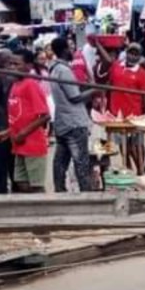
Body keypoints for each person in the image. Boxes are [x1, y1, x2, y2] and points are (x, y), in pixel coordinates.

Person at [48, 36, 95, 192]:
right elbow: (75, 97)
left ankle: (60, 192)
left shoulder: (54, 68)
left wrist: (85, 87)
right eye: (70, 47)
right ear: (63, 50)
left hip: (63, 122)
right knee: (81, 162)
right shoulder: (64, 70)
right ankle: (86, 196)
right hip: (74, 123)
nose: (72, 50)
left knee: (60, 161)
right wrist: (95, 90)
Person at [96, 41, 145, 174]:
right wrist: (98, 44)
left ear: (139, 56)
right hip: (117, 115)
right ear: (126, 53)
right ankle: (128, 170)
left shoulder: (142, 73)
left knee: (136, 146)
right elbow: (108, 64)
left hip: (134, 115)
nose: (132, 56)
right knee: (122, 145)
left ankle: (141, 171)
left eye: (136, 54)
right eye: (131, 52)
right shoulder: (116, 66)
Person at [0, 55, 51, 193]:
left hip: (32, 145)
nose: (13, 68)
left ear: (28, 66)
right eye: (11, 64)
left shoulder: (31, 84)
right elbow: (19, 118)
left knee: (36, 186)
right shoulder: (15, 85)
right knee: (21, 183)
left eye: (17, 64)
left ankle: (45, 211)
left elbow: (44, 116)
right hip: (19, 145)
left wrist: (23, 133)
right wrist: (7, 133)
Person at [0, 51, 14, 193]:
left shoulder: (5, 77)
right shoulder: (4, 76)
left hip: (5, 124)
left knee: (3, 162)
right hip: (4, 124)